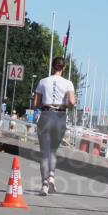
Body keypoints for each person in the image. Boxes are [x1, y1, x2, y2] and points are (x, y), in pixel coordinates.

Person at [32, 56, 76, 196]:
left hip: (46, 115)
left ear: (52, 66)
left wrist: (44, 103)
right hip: (60, 117)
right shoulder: (68, 83)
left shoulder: (42, 82)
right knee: (53, 151)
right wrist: (65, 104)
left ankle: (44, 184)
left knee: (44, 152)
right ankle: (52, 177)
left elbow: (35, 104)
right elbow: (72, 102)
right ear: (63, 68)